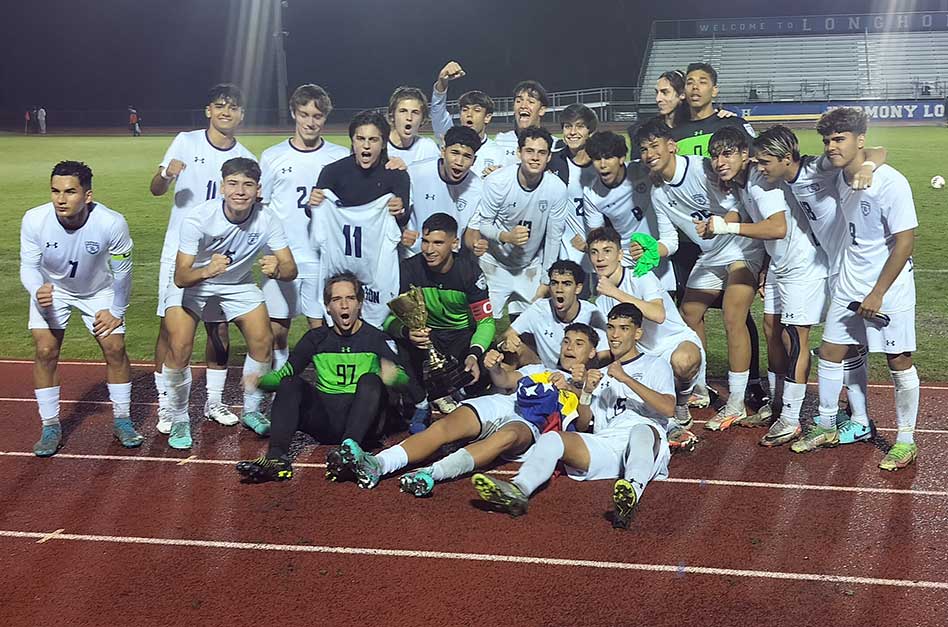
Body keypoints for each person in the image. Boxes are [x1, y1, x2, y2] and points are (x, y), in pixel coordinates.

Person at [327, 323, 601, 496]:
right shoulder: (539, 369)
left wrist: (579, 388)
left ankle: (431, 474)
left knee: (505, 437)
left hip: (530, 424)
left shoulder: (592, 384)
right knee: (444, 427)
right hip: (502, 403)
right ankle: (378, 464)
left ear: (591, 353)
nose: (569, 348)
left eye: (579, 344)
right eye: (566, 341)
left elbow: (586, 425)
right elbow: (504, 381)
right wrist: (494, 365)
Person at [792, 108, 919, 471]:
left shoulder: (890, 182)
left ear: (859, 140)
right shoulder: (837, 174)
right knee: (831, 350)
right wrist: (866, 163)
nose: (832, 146)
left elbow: (905, 243)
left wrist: (878, 293)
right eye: (828, 140)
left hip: (889, 285)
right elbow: (873, 152)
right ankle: (827, 425)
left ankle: (906, 441)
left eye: (840, 139)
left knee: (898, 361)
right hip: (850, 278)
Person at [471, 303, 675, 530]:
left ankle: (631, 492)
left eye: (623, 328)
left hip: (647, 442)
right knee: (553, 438)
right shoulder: (602, 374)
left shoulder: (656, 364)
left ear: (637, 333)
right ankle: (519, 489)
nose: (615, 335)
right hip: (608, 442)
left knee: (641, 432)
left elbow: (668, 408)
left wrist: (626, 379)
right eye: (610, 327)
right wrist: (586, 392)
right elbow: (584, 423)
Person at [753, 125, 885, 444]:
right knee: (843, 344)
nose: (759, 168)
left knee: (851, 347)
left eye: (764, 161)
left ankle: (846, 421)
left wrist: (867, 166)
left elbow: (877, 152)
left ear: (786, 158)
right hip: (835, 264)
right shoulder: (786, 179)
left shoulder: (814, 167)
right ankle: (852, 417)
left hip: (851, 266)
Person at [697, 127, 828, 445]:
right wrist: (768, 265)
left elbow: (778, 227)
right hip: (782, 266)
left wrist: (726, 226)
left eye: (727, 153)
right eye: (715, 155)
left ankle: (790, 418)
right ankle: (777, 401)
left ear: (745, 154)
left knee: (794, 338)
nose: (719, 161)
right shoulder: (744, 183)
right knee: (772, 330)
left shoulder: (759, 182)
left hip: (803, 266)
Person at [633, 119, 764, 431]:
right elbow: (672, 241)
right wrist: (653, 249)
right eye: (644, 149)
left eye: (655, 146)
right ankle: (700, 388)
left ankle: (736, 403)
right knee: (689, 313)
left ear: (671, 145)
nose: (650, 153)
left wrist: (719, 225)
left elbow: (736, 206)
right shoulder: (659, 193)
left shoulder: (702, 168)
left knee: (734, 317)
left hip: (742, 245)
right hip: (712, 253)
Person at [160, 157, 297, 450]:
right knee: (180, 344)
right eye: (233, 184)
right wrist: (207, 270)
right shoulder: (199, 218)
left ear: (258, 189)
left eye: (248, 185)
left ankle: (251, 410)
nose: (240, 191)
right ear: (222, 187)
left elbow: (290, 268)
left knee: (263, 340)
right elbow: (181, 276)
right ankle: (180, 416)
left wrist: (277, 270)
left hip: (237, 284)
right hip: (196, 282)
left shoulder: (268, 218)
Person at [149, 84, 256, 434]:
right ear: (209, 110)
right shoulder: (186, 141)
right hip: (180, 253)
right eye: (220, 105)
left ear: (241, 114)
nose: (226, 112)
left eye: (233, 107)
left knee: (219, 329)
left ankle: (214, 401)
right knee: (170, 328)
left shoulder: (246, 158)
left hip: (222, 258)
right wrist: (166, 175)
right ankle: (167, 405)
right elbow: (156, 189)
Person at [235, 273, 411, 483]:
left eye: (350, 298)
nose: (344, 306)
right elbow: (284, 375)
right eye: (337, 300)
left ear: (360, 304)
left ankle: (350, 451)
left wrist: (393, 377)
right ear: (327, 307)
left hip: (365, 425)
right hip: (326, 421)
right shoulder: (315, 339)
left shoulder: (376, 338)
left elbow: (404, 380)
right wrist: (259, 382)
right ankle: (277, 459)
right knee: (290, 383)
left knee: (370, 380)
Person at [20, 161, 142, 456]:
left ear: (87, 195)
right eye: (55, 191)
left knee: (114, 348)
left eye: (70, 191)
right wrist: (37, 289)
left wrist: (117, 310)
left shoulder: (112, 223)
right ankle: (50, 426)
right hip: (52, 291)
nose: (61, 199)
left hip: (99, 291)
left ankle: (123, 420)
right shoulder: (35, 219)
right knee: (45, 350)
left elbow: (123, 273)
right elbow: (28, 266)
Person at [259, 84, 348, 370]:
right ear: (293, 113)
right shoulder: (272, 157)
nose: (311, 122)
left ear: (325, 118)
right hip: (284, 257)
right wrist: (268, 253)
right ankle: (282, 388)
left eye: (318, 116)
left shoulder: (339, 156)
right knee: (277, 333)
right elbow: (262, 210)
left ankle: (328, 390)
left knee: (323, 331)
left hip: (324, 260)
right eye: (304, 114)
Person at [587, 227, 703, 448]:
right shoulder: (601, 302)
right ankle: (669, 426)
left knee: (683, 361)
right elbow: (614, 344)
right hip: (644, 354)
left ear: (620, 255)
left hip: (674, 342)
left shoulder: (640, 276)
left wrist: (615, 292)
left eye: (607, 250)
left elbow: (658, 315)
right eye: (594, 252)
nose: (600, 258)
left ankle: (683, 401)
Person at [386, 213, 495, 431]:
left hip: (460, 336)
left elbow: (486, 323)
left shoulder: (469, 272)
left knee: (486, 363)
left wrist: (474, 354)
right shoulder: (407, 269)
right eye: (425, 242)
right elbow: (387, 320)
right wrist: (407, 332)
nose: (429, 250)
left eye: (438, 243)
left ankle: (459, 393)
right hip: (427, 335)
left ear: (454, 244)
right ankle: (420, 404)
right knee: (394, 353)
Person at [308, 110, 410, 327]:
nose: (366, 146)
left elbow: (401, 220)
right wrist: (314, 204)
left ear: (383, 143)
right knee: (337, 324)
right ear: (352, 141)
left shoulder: (396, 173)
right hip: (340, 263)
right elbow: (318, 216)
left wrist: (399, 210)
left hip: (376, 264)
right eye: (360, 139)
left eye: (373, 139)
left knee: (377, 326)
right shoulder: (333, 172)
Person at [468, 127, 569, 321]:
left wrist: (546, 280)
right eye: (529, 151)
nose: (535, 157)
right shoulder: (497, 182)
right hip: (494, 264)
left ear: (549, 157)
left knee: (530, 330)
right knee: (482, 325)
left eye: (542, 153)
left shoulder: (556, 188)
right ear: (518, 153)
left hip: (529, 266)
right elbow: (484, 224)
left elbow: (553, 237)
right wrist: (506, 236)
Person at [582, 130, 676, 293]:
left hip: (658, 250)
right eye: (597, 159)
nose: (602, 164)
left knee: (664, 309)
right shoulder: (592, 194)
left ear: (621, 158)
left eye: (608, 157)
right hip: (626, 257)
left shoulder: (644, 170)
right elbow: (598, 237)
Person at [501, 259, 607, 369]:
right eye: (554, 283)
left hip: (580, 374)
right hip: (545, 372)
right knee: (514, 350)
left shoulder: (593, 314)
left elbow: (605, 357)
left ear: (578, 288)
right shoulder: (539, 309)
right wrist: (506, 343)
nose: (559, 289)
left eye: (566, 284)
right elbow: (506, 335)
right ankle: (499, 384)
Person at [401, 125, 484, 256]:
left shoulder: (478, 188)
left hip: (450, 261)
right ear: (443, 151)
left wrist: (476, 244)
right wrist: (403, 231)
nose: (459, 161)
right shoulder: (416, 173)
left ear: (474, 160)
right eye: (455, 153)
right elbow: (399, 214)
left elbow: (471, 231)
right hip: (415, 256)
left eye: (467, 156)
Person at [429, 60, 506, 176]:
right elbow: (437, 111)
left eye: (477, 110)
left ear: (487, 117)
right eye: (465, 109)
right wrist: (442, 83)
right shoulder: (448, 137)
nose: (469, 114)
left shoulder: (498, 152)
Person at [546, 104, 599, 266]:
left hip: (598, 250)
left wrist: (590, 245)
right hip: (566, 249)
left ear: (590, 131)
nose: (573, 132)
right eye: (568, 126)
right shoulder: (552, 161)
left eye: (580, 126)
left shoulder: (602, 163)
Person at [494, 80, 552, 165]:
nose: (523, 106)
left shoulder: (554, 145)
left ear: (542, 110)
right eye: (518, 101)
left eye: (531, 102)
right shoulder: (501, 141)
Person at [386, 86, 441, 165]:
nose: (409, 117)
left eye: (415, 112)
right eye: (403, 111)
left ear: (422, 119)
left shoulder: (428, 148)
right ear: (392, 116)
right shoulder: (379, 148)